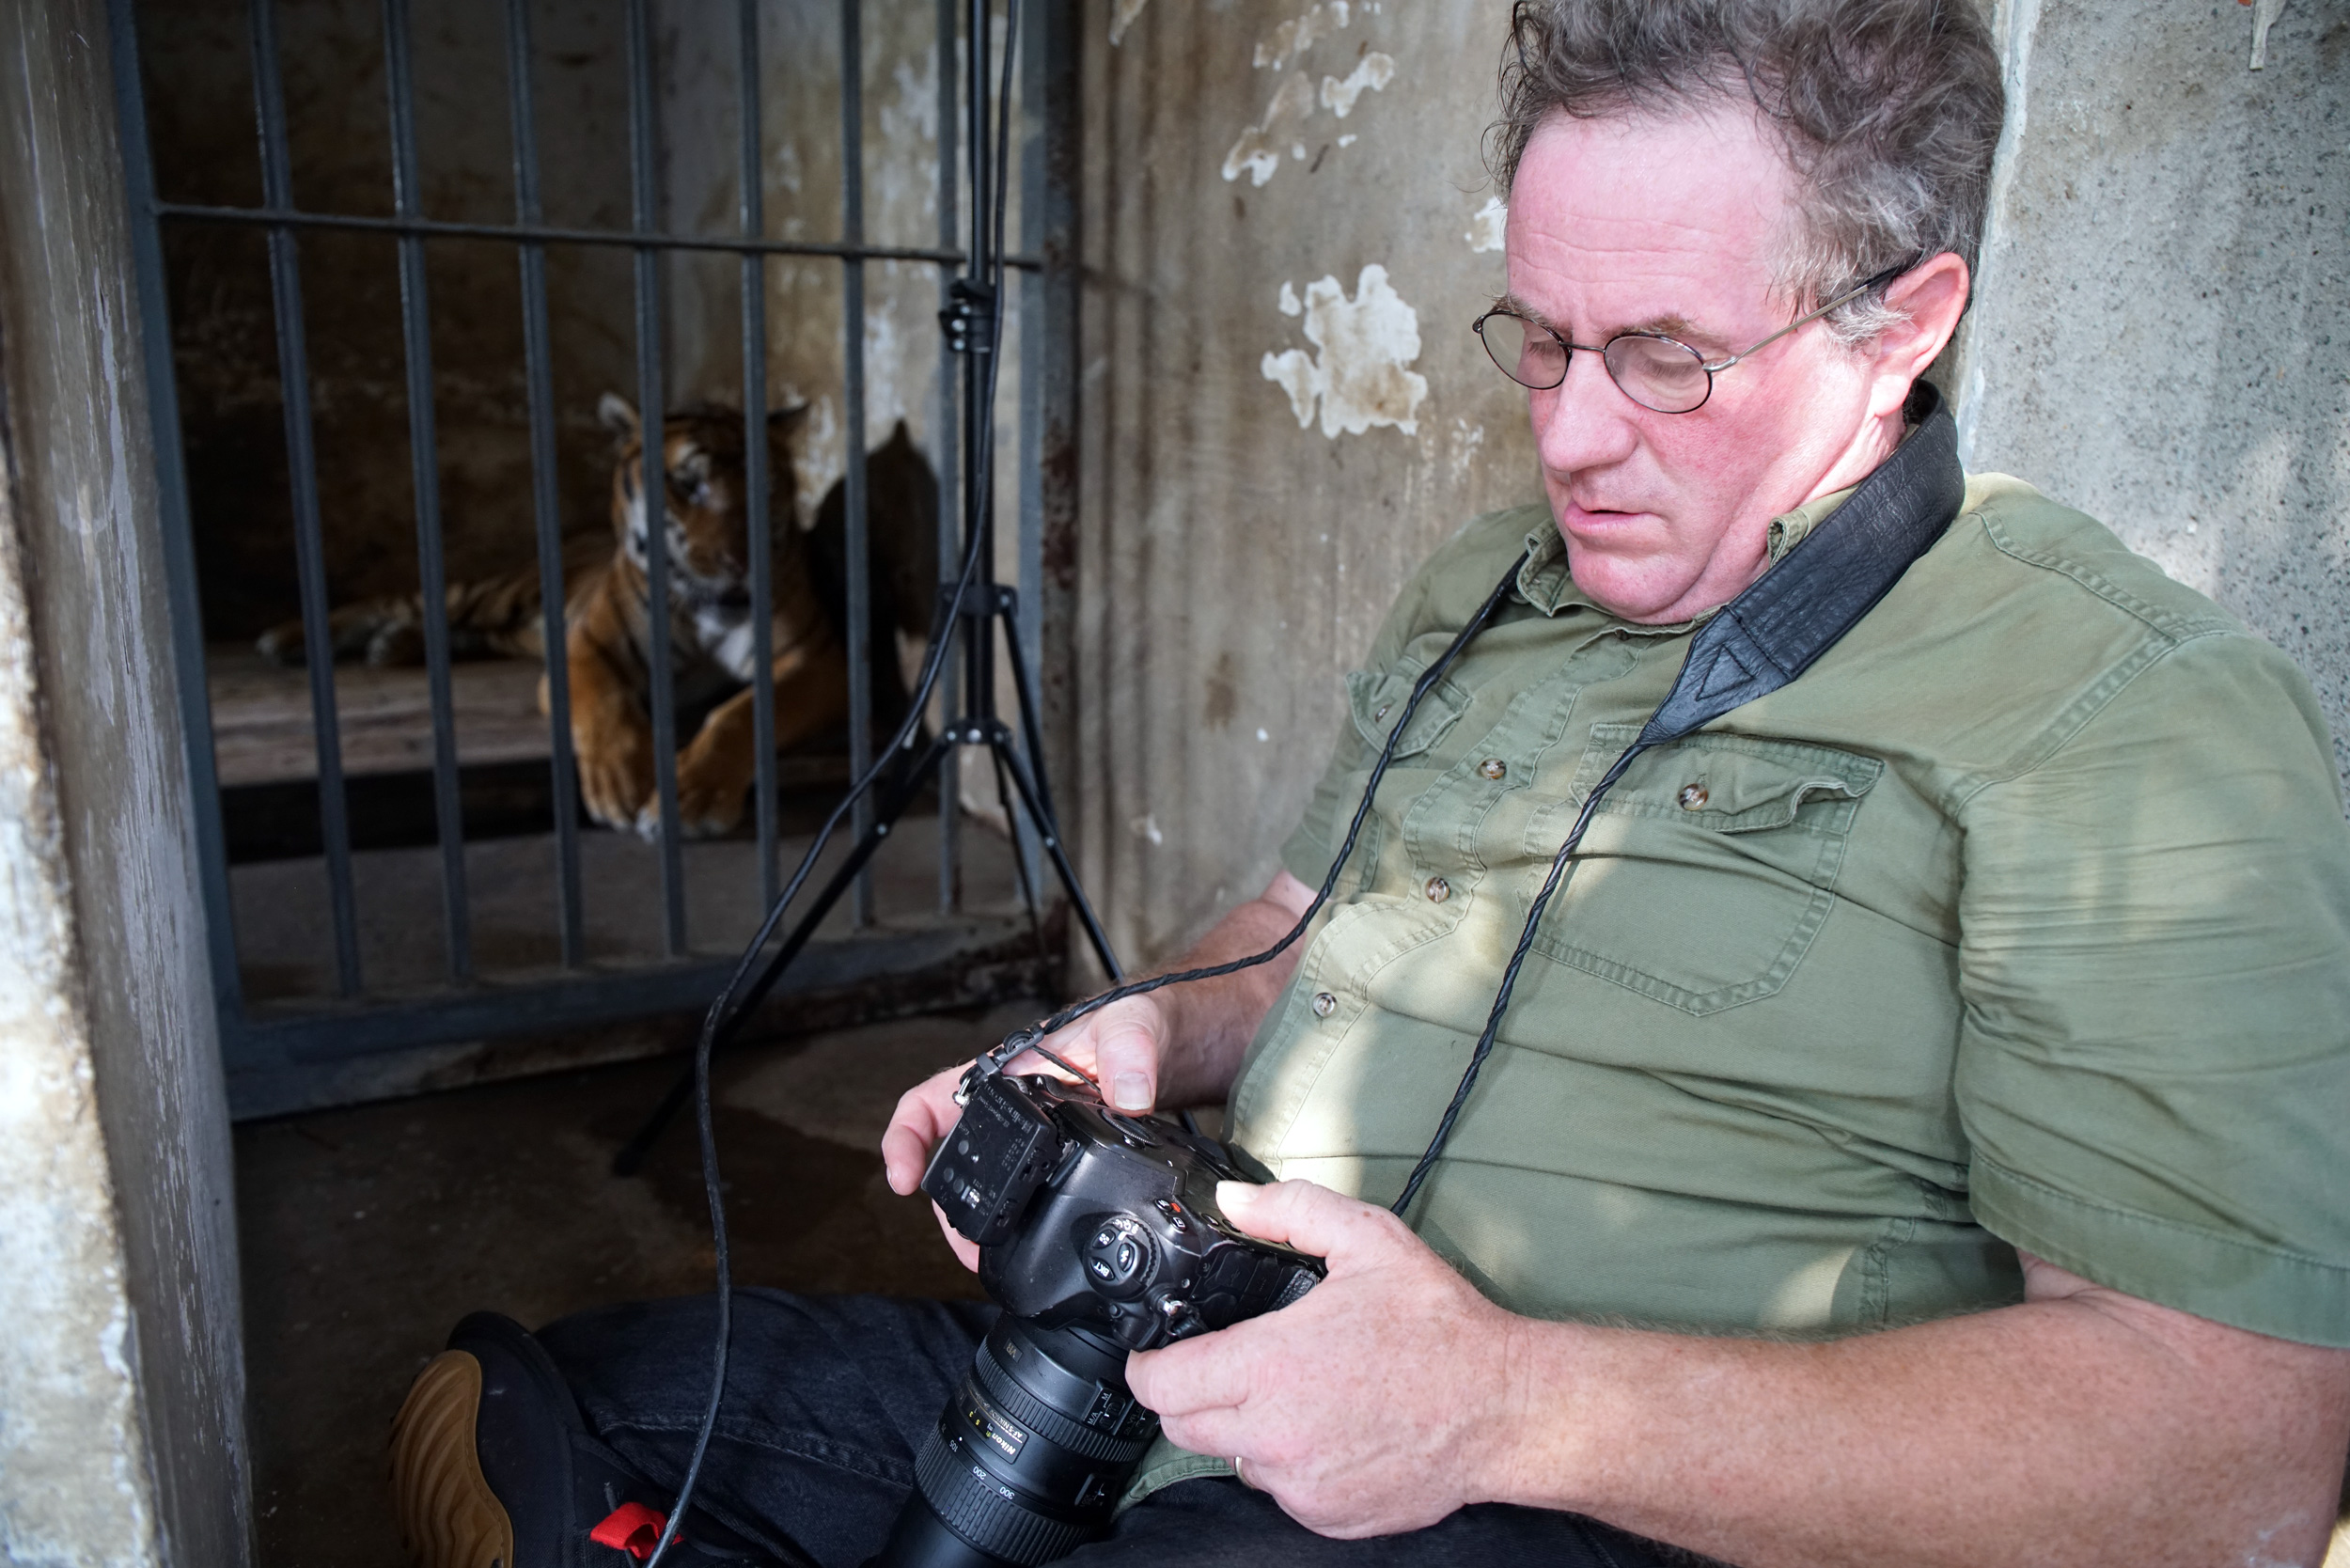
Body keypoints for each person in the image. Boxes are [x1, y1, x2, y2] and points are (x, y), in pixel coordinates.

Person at [392, 3, 2350, 1565]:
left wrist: (1506, 1406)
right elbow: (1292, 926)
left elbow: (2229, 1465)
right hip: (1192, 1391)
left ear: (1899, 322)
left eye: (1661, 355)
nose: (1569, 436)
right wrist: (1146, 1032)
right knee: (530, 1428)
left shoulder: (2125, 719)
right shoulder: (1478, 585)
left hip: (1605, 1508)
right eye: (1543, 337)